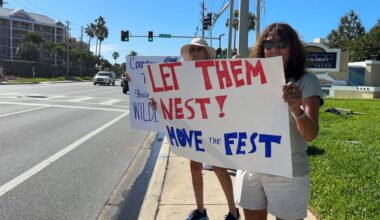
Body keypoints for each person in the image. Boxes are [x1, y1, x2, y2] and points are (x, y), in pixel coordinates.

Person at [234, 23, 323, 220]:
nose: (274, 49)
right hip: (251, 165)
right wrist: (166, 106)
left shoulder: (306, 82)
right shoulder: (249, 79)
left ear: (293, 47)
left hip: (288, 171)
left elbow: (310, 134)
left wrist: (296, 109)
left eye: (281, 43)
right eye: (268, 44)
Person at [151, 38, 240, 220]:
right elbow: (174, 97)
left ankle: (233, 212)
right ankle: (200, 211)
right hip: (193, 128)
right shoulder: (185, 74)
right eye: (192, 50)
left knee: (219, 167)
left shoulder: (217, 71)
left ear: (206, 53)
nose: (195, 53)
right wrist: (159, 103)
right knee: (194, 167)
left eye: (198, 50)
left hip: (214, 126)